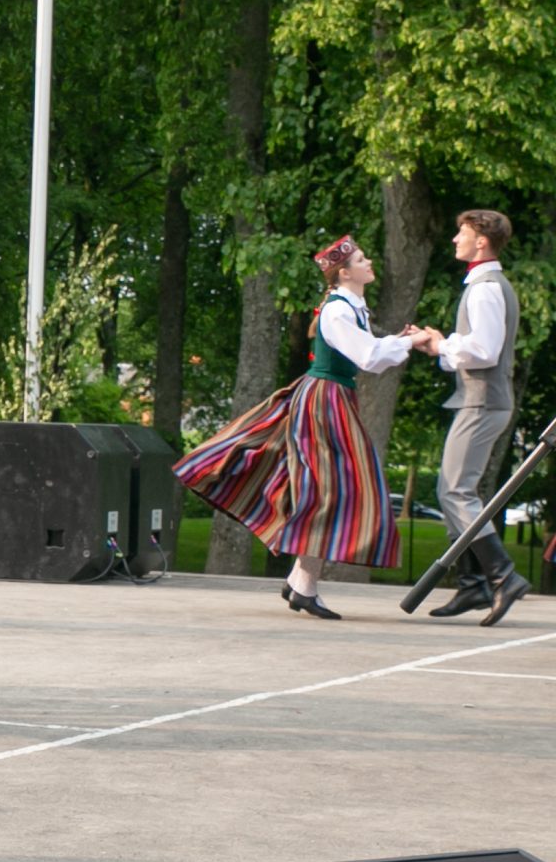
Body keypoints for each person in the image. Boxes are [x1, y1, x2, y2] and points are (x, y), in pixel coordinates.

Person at [174, 236, 413, 619]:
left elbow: (370, 354)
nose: (369, 263)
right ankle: (302, 583)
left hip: (333, 399)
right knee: (332, 491)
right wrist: (409, 343)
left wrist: (402, 342)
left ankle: (301, 581)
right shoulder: (338, 311)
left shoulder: (350, 308)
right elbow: (368, 357)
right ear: (344, 273)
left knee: (330, 491)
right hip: (325, 402)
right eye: (361, 259)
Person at [409, 209, 529, 626]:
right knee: (453, 491)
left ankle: (502, 576)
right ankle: (473, 583)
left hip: (483, 402)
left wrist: (442, 345)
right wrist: (440, 346)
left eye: (461, 233)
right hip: (481, 399)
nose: (454, 239)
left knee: (455, 491)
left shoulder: (485, 289)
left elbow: (484, 351)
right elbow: (475, 350)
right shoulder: (485, 285)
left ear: (481, 241)